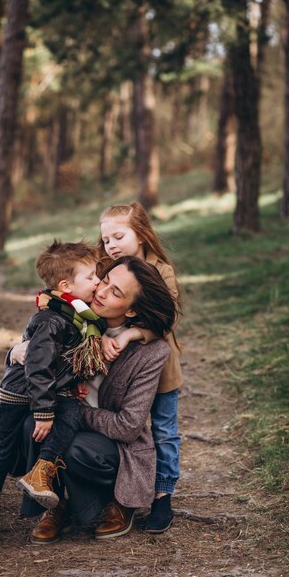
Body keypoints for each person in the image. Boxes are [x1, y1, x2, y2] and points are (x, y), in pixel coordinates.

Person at [17, 256, 177, 544]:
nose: (101, 292)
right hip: (68, 420)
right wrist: (15, 353)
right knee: (33, 422)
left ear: (132, 310)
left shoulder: (151, 353)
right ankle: (54, 504)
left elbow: (128, 427)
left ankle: (119, 501)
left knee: (76, 446)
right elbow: (33, 353)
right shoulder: (76, 321)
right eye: (104, 281)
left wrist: (75, 413)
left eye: (116, 292)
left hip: (114, 445)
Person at [0, 240, 104, 548]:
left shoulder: (75, 315)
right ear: (66, 285)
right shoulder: (51, 319)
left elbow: (65, 359)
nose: (98, 281)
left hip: (50, 390)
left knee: (72, 413)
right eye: (92, 276)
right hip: (22, 394)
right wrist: (43, 411)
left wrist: (75, 379)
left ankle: (41, 470)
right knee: (0, 453)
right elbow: (37, 368)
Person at [97, 202, 183, 533]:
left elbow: (168, 319)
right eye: (106, 240)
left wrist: (134, 332)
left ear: (142, 234)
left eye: (119, 236)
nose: (112, 245)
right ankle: (122, 495)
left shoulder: (161, 271)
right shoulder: (109, 270)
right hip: (118, 371)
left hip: (160, 372)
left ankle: (162, 496)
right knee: (125, 429)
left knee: (163, 430)